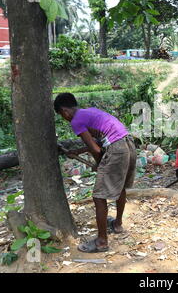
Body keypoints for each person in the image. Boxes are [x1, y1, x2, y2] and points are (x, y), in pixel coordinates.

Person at [54, 93, 136, 253]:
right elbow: (99, 140)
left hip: (117, 149)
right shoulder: (89, 112)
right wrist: (78, 151)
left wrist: (100, 163)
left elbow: (96, 149)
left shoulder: (76, 120)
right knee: (120, 188)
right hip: (128, 144)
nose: (64, 118)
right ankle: (117, 225)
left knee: (99, 197)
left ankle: (102, 241)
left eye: (61, 115)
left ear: (64, 111)